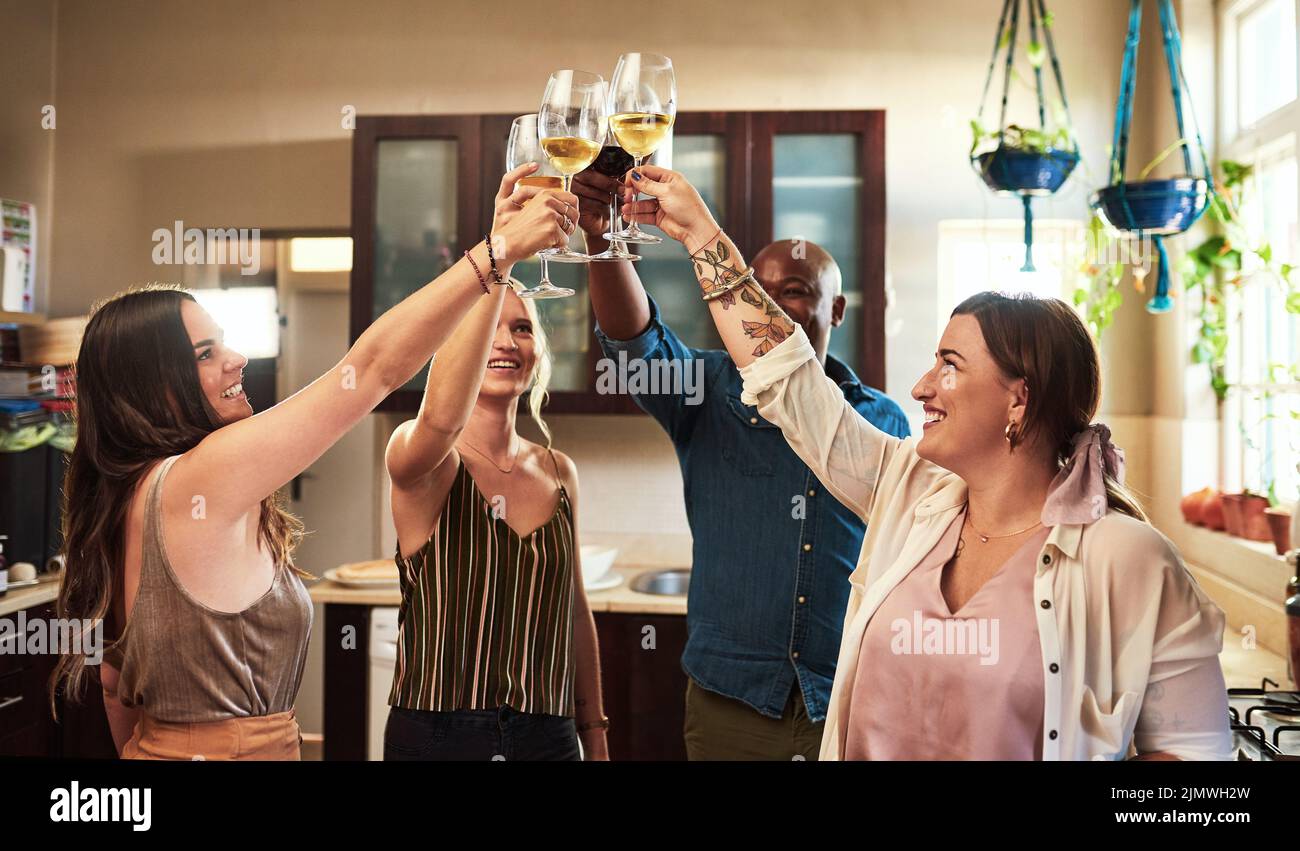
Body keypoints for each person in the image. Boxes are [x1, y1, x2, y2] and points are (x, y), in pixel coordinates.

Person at [617, 163, 1232, 761]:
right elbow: (787, 381)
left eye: (950, 366)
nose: (920, 388)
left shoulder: (1127, 559)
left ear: (1019, 397)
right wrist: (701, 235)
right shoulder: (908, 492)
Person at [51, 163, 578, 760]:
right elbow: (373, 370)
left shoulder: (133, 491)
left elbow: (115, 684)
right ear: (152, 385)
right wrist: (497, 251)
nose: (237, 358)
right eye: (205, 353)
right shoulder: (199, 475)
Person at [570, 169, 910, 760]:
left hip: (849, 700)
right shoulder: (701, 388)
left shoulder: (882, 422)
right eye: (759, 289)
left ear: (839, 310)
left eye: (798, 290)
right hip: (731, 702)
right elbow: (633, 341)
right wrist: (602, 240)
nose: (772, 307)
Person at [382, 268, 607, 761]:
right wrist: (500, 255)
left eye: (522, 328)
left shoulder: (558, 470)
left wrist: (594, 734)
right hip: (439, 736)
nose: (506, 342)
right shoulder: (422, 459)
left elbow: (574, 608)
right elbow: (440, 418)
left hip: (550, 737)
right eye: (488, 328)